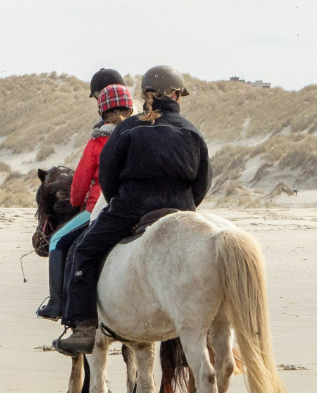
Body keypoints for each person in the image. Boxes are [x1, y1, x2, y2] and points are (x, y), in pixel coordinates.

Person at [54, 65, 212, 355]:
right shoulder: (191, 130)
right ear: (176, 95)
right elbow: (203, 182)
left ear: (145, 94)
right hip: (182, 210)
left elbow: (108, 179)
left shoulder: (129, 128)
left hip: (132, 207)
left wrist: (121, 202)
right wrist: (185, 209)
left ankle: (84, 327)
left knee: (82, 250)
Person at [36, 83, 133, 319]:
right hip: (135, 205)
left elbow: (79, 185)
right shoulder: (138, 135)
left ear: (102, 112)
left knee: (57, 240)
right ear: (130, 110)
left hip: (98, 209)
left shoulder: (96, 142)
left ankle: (57, 304)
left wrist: (78, 202)